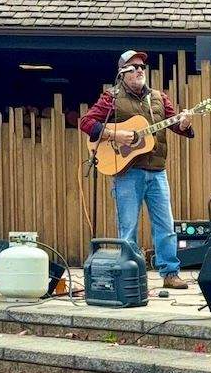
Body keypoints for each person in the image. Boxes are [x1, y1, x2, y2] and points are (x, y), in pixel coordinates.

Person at [79, 50, 194, 289]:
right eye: (134, 67)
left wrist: (185, 123)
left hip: (157, 171)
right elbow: (86, 123)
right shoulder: (111, 97)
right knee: (127, 228)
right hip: (127, 172)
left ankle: (170, 273)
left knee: (165, 226)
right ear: (122, 73)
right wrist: (115, 134)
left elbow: (176, 126)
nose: (140, 70)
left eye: (142, 67)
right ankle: (131, 276)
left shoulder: (159, 98)